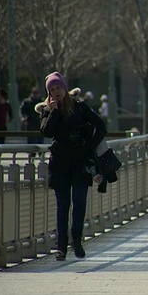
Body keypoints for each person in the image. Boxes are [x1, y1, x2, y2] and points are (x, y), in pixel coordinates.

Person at [38, 72, 107, 261]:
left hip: (80, 163)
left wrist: (90, 145)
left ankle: (77, 240)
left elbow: (101, 127)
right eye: (52, 90)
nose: (56, 92)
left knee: (79, 202)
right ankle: (61, 247)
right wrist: (52, 112)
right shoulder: (47, 109)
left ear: (65, 88)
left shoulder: (80, 107)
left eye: (58, 88)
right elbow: (46, 131)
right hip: (59, 163)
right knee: (62, 206)